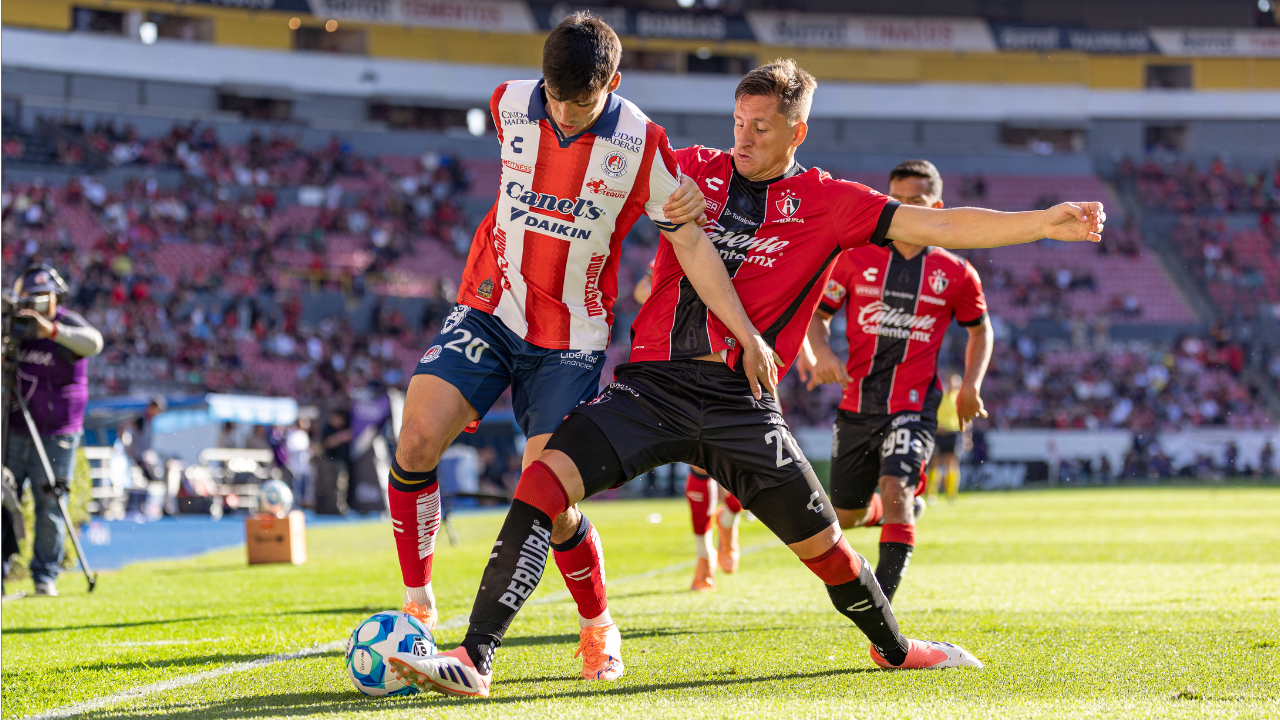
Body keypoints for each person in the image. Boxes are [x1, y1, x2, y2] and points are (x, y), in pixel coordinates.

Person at [389, 58, 1105, 697]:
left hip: (742, 408)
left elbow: (941, 230)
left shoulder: (831, 202)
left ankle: (897, 649)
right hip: (651, 388)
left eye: (762, 126)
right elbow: (589, 165)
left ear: (797, 131)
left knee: (828, 552)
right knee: (541, 483)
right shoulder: (687, 168)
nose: (745, 137)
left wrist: (1041, 222)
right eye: (738, 121)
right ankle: (475, 656)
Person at [386, 11, 708, 681]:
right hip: (489, 308)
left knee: (549, 498)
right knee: (415, 442)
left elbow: (685, 232)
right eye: (554, 96)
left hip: (570, 340)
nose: (562, 113)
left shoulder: (643, 142)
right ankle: (418, 607)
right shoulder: (508, 102)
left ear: (613, 83)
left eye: (581, 101)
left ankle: (598, 625)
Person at [801, 159, 993, 603]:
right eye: (898, 200)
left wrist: (970, 386)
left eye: (917, 202)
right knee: (843, 516)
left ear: (937, 207)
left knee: (896, 489)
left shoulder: (956, 273)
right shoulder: (854, 257)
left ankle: (879, 609)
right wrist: (823, 352)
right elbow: (816, 316)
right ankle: (885, 512)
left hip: (915, 404)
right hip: (858, 403)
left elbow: (981, 330)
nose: (905, 209)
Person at [635, 262, 743, 592]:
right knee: (699, 459)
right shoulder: (690, 234)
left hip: (744, 354)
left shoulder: (759, 236)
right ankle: (703, 555)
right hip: (692, 358)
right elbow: (643, 289)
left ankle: (728, 519)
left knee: (748, 466)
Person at [3, 264, 103, 597]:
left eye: (43, 298)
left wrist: (52, 331)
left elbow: (94, 343)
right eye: (30, 298)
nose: (36, 305)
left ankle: (45, 577)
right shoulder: (13, 327)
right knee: (6, 498)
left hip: (58, 431)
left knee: (51, 503)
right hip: (15, 427)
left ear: (56, 297)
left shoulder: (69, 322)